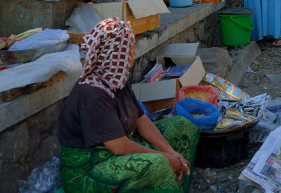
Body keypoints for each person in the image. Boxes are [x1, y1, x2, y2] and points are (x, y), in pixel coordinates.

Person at [58, 19, 198, 193]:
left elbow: (140, 119)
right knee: (159, 163)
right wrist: (166, 158)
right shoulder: (92, 94)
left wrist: (171, 153)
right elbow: (120, 146)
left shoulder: (116, 81)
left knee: (181, 125)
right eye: (129, 48)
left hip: (118, 148)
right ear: (114, 54)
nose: (133, 52)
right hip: (89, 171)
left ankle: (178, 186)